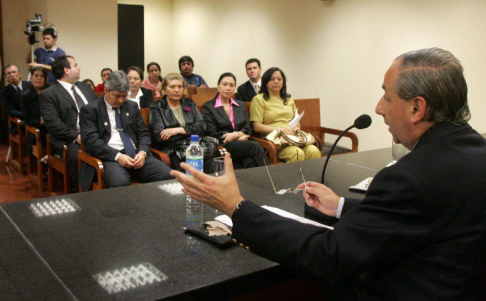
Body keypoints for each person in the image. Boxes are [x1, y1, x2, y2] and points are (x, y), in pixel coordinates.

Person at [171, 48, 486, 299]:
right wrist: (341, 206)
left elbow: (330, 256)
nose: (379, 108)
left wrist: (235, 206)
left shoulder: (409, 176)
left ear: (418, 108)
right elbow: (415, 216)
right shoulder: (476, 153)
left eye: (387, 97)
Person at [79, 71, 173, 190]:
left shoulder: (131, 106)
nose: (121, 100)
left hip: (136, 155)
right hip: (110, 157)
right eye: (117, 96)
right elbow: (91, 142)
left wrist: (142, 152)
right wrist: (118, 156)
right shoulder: (90, 110)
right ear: (106, 90)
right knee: (120, 184)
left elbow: (143, 133)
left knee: (169, 176)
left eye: (124, 96)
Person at [40, 55, 97, 192]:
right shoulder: (49, 94)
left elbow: (99, 109)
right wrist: (76, 136)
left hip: (94, 133)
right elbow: (54, 124)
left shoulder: (84, 87)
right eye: (75, 65)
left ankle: (107, 187)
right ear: (66, 70)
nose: (79, 68)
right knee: (77, 155)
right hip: (69, 139)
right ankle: (83, 194)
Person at [250, 67, 321, 162]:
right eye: (272, 79)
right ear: (266, 82)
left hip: (293, 137)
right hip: (275, 140)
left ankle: (312, 177)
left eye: (279, 79)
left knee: (314, 150)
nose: (276, 81)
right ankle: (294, 177)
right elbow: (257, 127)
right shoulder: (259, 99)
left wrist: (296, 128)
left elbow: (297, 121)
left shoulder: (289, 99)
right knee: (297, 153)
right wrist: (280, 130)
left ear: (283, 82)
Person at [150, 73, 213, 173]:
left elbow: (202, 127)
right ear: (165, 89)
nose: (176, 90)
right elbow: (160, 135)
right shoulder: (157, 107)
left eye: (180, 86)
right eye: (172, 87)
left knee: (212, 164)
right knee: (186, 170)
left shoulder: (190, 104)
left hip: (193, 147)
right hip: (172, 151)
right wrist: (190, 132)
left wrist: (177, 130)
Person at [203, 72, 267, 169]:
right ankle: (272, 178)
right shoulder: (208, 106)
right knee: (254, 147)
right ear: (218, 86)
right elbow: (212, 132)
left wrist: (237, 134)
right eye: (224, 84)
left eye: (231, 85)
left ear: (235, 88)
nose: (228, 88)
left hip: (242, 144)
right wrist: (235, 136)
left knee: (249, 161)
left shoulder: (240, 105)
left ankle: (257, 183)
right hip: (223, 144)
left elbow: (247, 128)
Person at [21, 67, 49, 162]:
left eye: (42, 76)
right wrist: (40, 122)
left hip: (52, 126)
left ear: (46, 79)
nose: (39, 78)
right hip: (36, 129)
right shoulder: (26, 95)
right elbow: (27, 119)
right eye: (36, 75)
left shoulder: (50, 92)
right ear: (31, 78)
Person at [2, 64, 33, 134]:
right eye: (9, 73)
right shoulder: (5, 91)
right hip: (19, 119)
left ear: (19, 74)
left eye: (14, 72)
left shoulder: (30, 85)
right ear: (6, 77)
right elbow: (9, 110)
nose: (12, 75)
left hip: (34, 117)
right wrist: (25, 114)